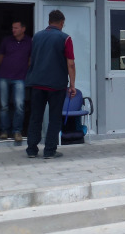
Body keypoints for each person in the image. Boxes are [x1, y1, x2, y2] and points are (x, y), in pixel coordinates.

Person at [25, 10, 76, 159]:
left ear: (49, 22)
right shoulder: (65, 38)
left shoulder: (36, 37)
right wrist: (72, 85)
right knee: (54, 118)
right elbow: (70, 64)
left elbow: (30, 60)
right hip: (56, 85)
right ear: (61, 22)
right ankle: (49, 151)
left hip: (37, 83)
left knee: (35, 117)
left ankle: (32, 150)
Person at [0, 20, 31, 142]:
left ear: (23, 29)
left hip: (20, 78)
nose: (13, 30)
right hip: (4, 77)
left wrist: (21, 70)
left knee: (19, 105)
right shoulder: (6, 40)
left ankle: (17, 131)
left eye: (16, 28)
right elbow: (0, 58)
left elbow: (30, 59)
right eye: (12, 28)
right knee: (4, 106)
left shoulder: (29, 42)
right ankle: (4, 131)